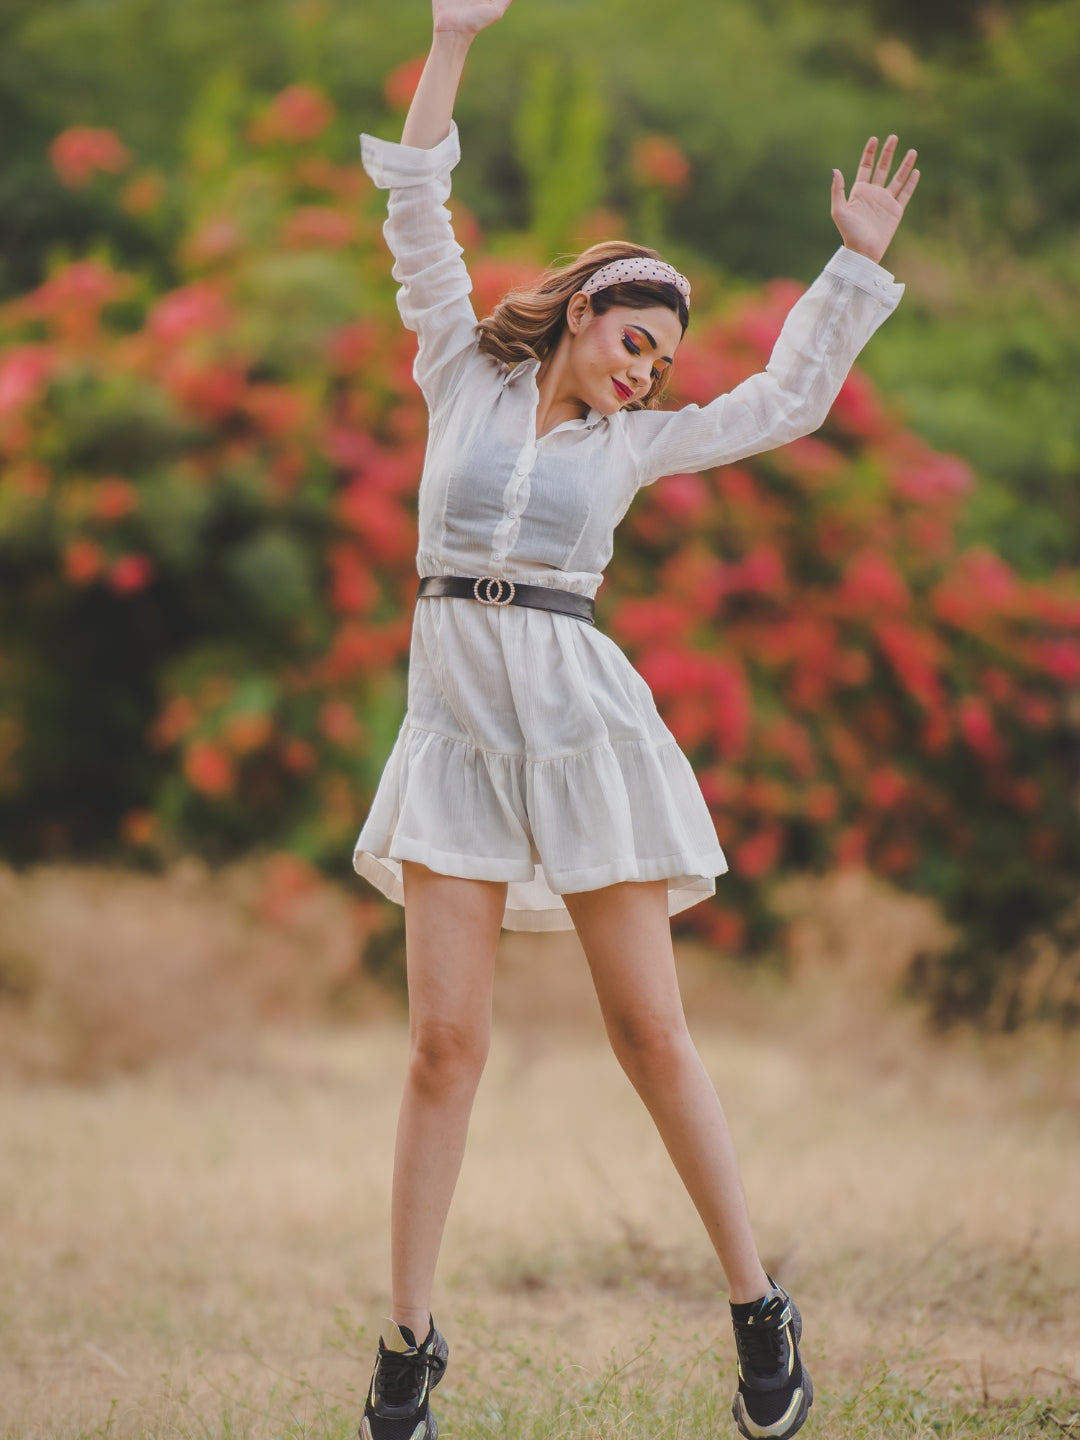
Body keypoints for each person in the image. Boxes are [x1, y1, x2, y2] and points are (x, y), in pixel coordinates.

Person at [353, 3, 919, 1437]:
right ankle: (409, 1343)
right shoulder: (460, 373)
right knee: (443, 1048)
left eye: (664, 357)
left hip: (583, 729)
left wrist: (852, 267)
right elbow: (417, 202)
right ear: (584, 312)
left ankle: (756, 1308)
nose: (649, 366)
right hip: (458, 738)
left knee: (650, 1037)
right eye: (634, 338)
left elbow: (787, 399)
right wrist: (453, 39)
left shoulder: (641, 444)